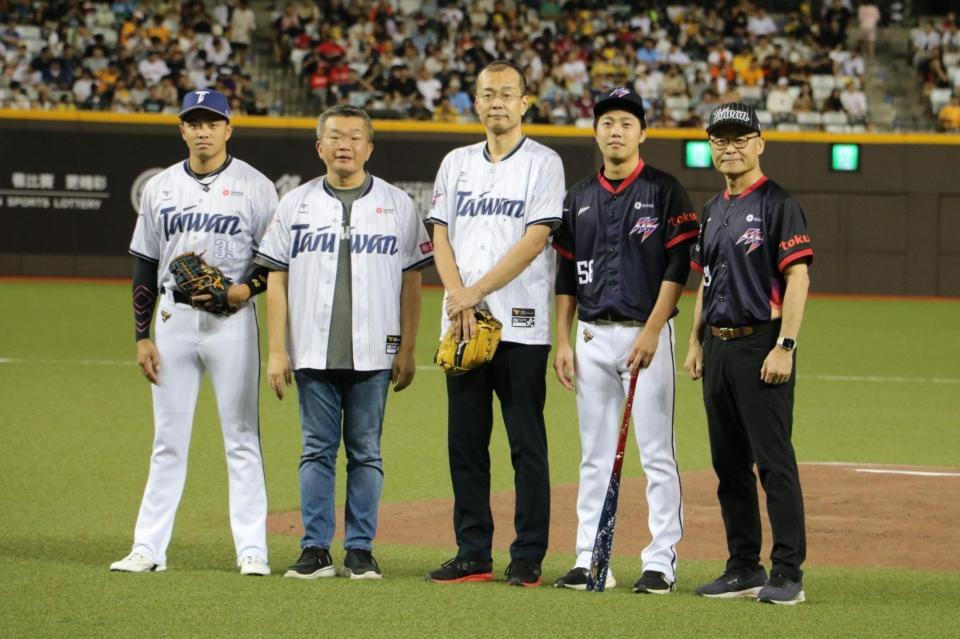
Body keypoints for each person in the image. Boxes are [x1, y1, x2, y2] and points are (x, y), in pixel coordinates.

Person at [256, 105, 433, 580]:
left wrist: (409, 348)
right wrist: (277, 350)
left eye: (355, 137)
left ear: (369, 148)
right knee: (315, 450)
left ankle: (359, 549)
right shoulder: (295, 203)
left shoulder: (398, 204)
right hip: (312, 351)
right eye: (335, 137)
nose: (344, 145)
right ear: (319, 147)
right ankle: (315, 548)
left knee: (366, 452)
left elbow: (412, 282)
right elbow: (276, 277)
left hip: (375, 352)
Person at [112, 89, 279, 575]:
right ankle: (148, 548)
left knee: (242, 435)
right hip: (173, 322)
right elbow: (144, 263)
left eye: (212, 122)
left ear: (229, 128)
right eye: (194, 122)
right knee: (168, 438)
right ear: (182, 129)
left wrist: (244, 290)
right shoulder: (161, 187)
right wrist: (142, 335)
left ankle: (252, 550)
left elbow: (274, 260)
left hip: (232, 324)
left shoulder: (256, 186)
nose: (203, 131)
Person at [551, 87, 698, 594]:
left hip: (645, 335)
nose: (616, 131)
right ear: (597, 131)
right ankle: (590, 559)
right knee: (593, 453)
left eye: (626, 123)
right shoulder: (579, 196)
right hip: (591, 334)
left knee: (657, 452)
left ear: (642, 133)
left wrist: (655, 330)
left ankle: (660, 562)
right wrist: (563, 340)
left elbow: (679, 264)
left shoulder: (664, 189)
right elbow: (566, 273)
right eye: (608, 122)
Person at [425, 60, 565, 587]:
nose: (497, 102)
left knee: (526, 443)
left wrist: (473, 294)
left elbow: (535, 240)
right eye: (488, 94)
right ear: (475, 102)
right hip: (461, 326)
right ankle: (472, 551)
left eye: (507, 93)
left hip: (521, 325)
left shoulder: (543, 163)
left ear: (524, 102)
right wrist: (459, 302)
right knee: (464, 442)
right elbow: (440, 234)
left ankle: (527, 554)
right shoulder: (455, 162)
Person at [683, 103, 813, 605]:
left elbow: (798, 276)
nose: (730, 147)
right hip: (718, 345)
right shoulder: (713, 209)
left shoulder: (779, 203)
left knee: (773, 462)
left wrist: (786, 345)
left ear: (760, 142)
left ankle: (787, 573)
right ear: (710, 146)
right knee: (728, 464)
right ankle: (743, 566)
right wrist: (695, 341)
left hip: (763, 342)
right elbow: (705, 280)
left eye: (740, 138)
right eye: (720, 139)